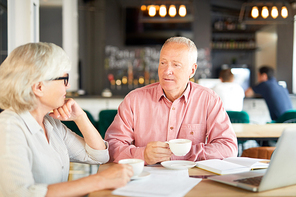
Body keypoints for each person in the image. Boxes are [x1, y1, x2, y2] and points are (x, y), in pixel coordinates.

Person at [0, 42, 133, 197]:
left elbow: (99, 156)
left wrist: (80, 117)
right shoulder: (8, 127)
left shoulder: (51, 124)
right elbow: (20, 194)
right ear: (39, 87)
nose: (68, 86)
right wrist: (99, 180)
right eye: (64, 78)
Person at [105, 37, 238, 165]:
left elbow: (228, 147)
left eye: (176, 65)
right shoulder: (134, 100)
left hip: (191, 179)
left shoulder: (209, 99)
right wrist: (142, 154)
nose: (167, 71)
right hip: (146, 179)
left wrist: (184, 154)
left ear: (192, 70)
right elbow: (111, 147)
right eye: (163, 63)